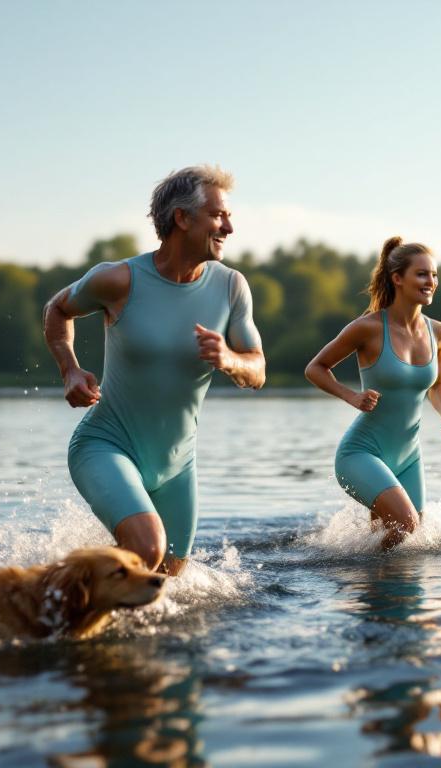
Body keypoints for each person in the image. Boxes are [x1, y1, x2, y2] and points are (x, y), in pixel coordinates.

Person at [43, 165, 265, 576]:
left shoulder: (232, 287)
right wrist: (70, 370)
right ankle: (58, 602)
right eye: (218, 215)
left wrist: (230, 359)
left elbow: (258, 369)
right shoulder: (118, 279)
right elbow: (57, 309)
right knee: (147, 548)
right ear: (182, 218)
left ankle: (79, 590)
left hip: (178, 464)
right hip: (106, 446)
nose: (229, 227)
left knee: (167, 577)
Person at [305, 236, 441, 549]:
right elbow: (315, 368)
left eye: (434, 274)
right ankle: (356, 575)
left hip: (408, 456)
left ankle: (374, 589)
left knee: (407, 538)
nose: (430, 281)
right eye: (422, 274)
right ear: (397, 278)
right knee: (405, 525)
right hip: (361, 453)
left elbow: (437, 383)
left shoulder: (438, 331)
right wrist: (352, 397)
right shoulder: (369, 327)